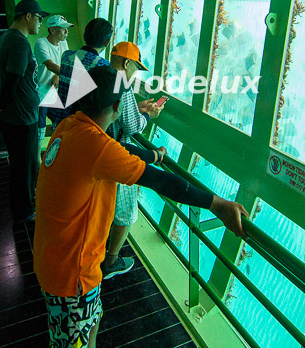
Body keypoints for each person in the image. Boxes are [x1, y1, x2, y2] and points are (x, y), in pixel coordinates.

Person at [33, 66, 248, 348]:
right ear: (118, 106)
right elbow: (160, 181)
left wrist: (151, 155)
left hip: (55, 254)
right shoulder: (96, 147)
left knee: (92, 320)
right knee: (72, 341)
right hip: (72, 275)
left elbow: (117, 148)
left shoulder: (70, 126)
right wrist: (217, 204)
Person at [101, 41, 165, 279]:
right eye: (135, 68)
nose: (134, 73)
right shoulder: (123, 85)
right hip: (116, 154)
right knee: (126, 213)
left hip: (99, 149)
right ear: (126, 63)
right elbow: (130, 125)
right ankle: (110, 262)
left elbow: (116, 111)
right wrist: (148, 114)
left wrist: (136, 106)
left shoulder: (101, 76)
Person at [0, 0, 48, 223]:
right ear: (28, 16)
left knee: (21, 162)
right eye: (39, 18)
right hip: (20, 117)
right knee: (24, 165)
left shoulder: (4, 38)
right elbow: (12, 77)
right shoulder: (19, 42)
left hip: (16, 115)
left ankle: (25, 204)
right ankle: (24, 211)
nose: (40, 23)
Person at [47, 17, 113, 131]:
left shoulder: (66, 56)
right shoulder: (104, 66)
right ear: (107, 42)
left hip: (60, 123)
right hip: (80, 129)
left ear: (84, 36)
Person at [34, 14, 73, 146]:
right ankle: (37, 159)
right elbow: (50, 65)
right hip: (42, 94)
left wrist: (58, 76)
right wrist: (73, 76)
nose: (66, 32)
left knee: (61, 123)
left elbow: (64, 64)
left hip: (55, 93)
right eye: (63, 29)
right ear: (52, 30)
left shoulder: (63, 43)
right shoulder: (41, 43)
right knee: (40, 129)